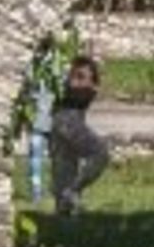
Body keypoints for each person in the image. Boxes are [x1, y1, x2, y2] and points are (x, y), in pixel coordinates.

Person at [48, 46, 112, 219]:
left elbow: (91, 85)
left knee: (65, 170)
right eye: (73, 76)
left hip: (63, 124)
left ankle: (65, 213)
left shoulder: (89, 89)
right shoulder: (69, 88)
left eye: (81, 77)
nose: (74, 82)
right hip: (65, 123)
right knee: (99, 153)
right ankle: (71, 192)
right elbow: (75, 87)